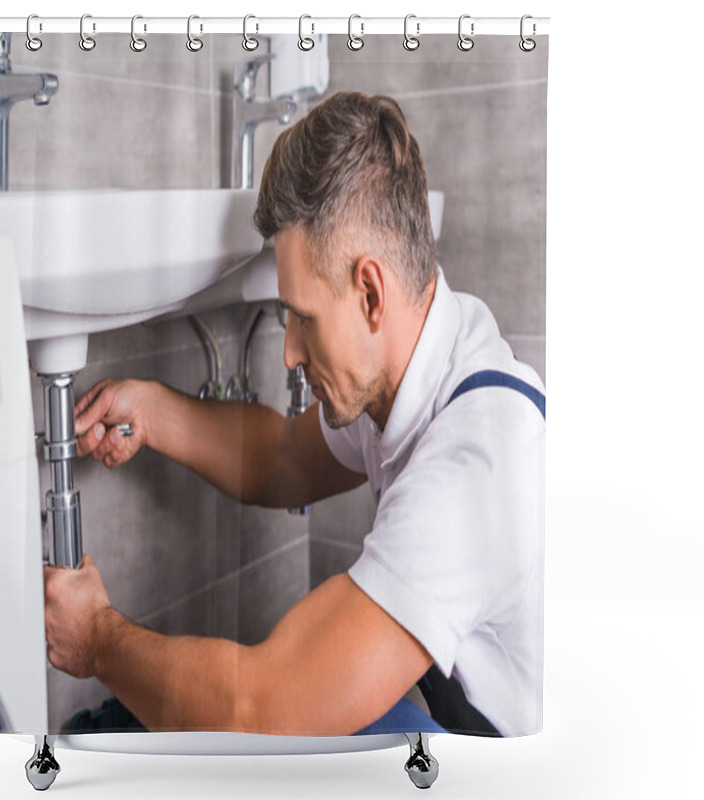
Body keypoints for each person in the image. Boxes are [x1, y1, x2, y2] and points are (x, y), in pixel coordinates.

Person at [43, 92, 545, 738]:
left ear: (370, 292)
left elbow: (264, 707)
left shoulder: (478, 461)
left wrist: (98, 641)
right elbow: (283, 459)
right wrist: (153, 410)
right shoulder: (420, 358)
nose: (289, 351)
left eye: (303, 318)